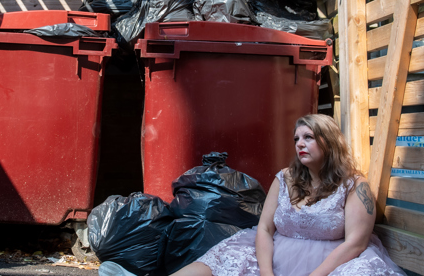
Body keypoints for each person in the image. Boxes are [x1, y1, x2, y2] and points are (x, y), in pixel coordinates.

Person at [171, 114, 405, 276]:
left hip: (331, 263)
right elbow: (264, 229)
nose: (299, 144)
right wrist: (266, 272)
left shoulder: (354, 184)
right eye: (296, 139)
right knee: (214, 265)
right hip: (274, 255)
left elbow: (356, 243)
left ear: (330, 142)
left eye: (308, 137)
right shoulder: (285, 178)